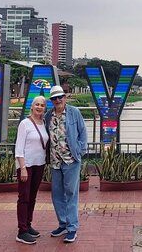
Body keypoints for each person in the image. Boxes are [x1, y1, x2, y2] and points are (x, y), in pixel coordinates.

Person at [45, 85, 87, 243]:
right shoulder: (49, 115)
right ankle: (62, 223)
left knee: (70, 193)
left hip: (71, 160)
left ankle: (72, 227)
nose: (57, 100)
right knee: (56, 194)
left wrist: (81, 150)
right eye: (54, 98)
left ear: (65, 97)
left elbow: (83, 132)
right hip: (55, 161)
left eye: (60, 97)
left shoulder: (74, 112)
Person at [15, 96, 49, 245]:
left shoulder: (43, 123)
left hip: (39, 164)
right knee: (24, 197)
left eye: (42, 105)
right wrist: (22, 168)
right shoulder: (25, 123)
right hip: (26, 165)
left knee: (33, 197)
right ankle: (21, 231)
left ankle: (28, 225)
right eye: (37, 104)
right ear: (32, 106)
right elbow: (19, 148)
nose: (39, 107)